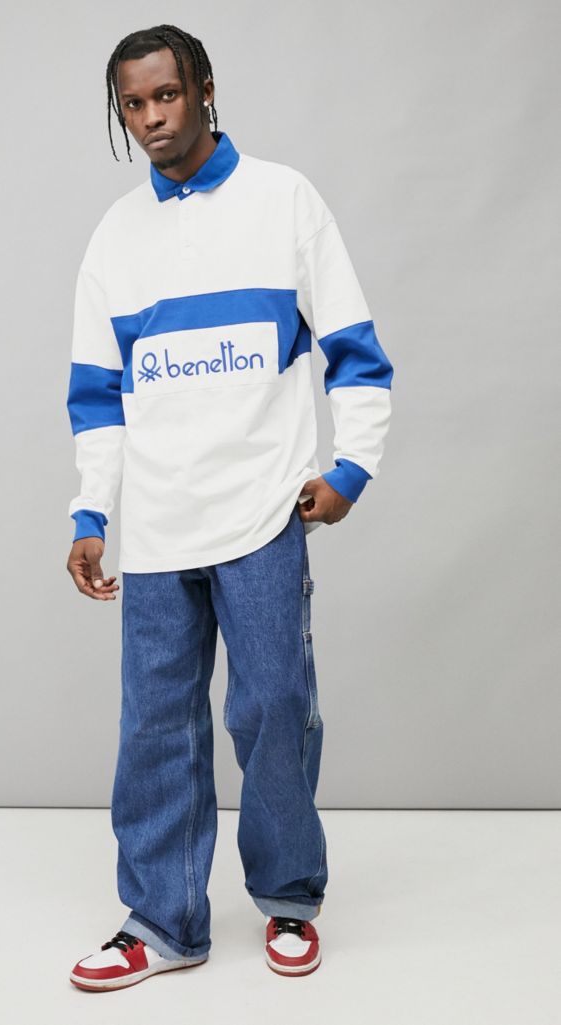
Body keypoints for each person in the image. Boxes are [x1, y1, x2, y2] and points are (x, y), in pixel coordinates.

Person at [65, 23, 394, 991]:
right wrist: (90, 513)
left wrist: (352, 467)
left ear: (204, 89)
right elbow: (96, 395)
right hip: (158, 524)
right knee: (156, 728)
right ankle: (162, 919)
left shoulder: (284, 200)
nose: (150, 117)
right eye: (132, 103)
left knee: (274, 708)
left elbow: (355, 351)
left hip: (262, 512)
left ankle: (289, 896)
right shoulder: (115, 236)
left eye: (165, 95)